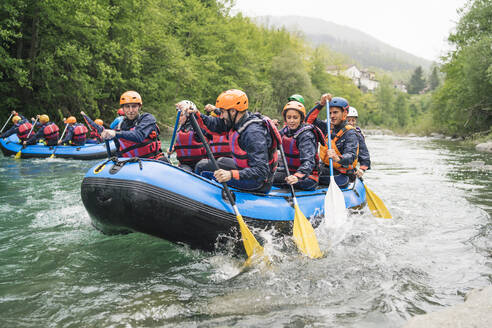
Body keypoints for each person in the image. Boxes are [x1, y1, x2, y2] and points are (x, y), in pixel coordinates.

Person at [180, 89, 280, 194]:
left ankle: (200, 200)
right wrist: (195, 113)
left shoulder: (253, 133)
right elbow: (214, 124)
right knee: (209, 163)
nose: (221, 116)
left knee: (204, 171)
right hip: (245, 171)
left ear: (233, 111)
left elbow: (261, 171)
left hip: (258, 183)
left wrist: (231, 174)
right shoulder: (236, 122)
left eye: (222, 112)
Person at [306, 94, 359, 188]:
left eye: (335, 112)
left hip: (340, 175)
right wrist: (321, 104)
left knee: (308, 174)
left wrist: (338, 158)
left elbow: (351, 155)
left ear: (345, 113)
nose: (332, 116)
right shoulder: (327, 127)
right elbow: (308, 121)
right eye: (330, 113)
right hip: (326, 168)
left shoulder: (350, 133)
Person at [100, 90, 167, 161]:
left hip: (152, 161)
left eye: (134, 106)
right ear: (123, 108)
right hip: (131, 165)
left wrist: (115, 133)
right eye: (127, 107)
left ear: (139, 107)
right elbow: (119, 151)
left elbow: (139, 136)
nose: (131, 110)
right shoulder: (119, 127)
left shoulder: (147, 119)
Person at [273, 101, 325, 191]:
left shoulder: (307, 136)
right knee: (266, 175)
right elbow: (271, 144)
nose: (291, 121)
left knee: (273, 179)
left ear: (301, 118)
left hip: (308, 177)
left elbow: (309, 162)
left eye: (295, 117)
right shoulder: (285, 131)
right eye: (289, 117)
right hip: (290, 172)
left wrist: (297, 176)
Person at [169, 100, 209, 171]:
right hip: (185, 164)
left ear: (188, 115)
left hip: (199, 164)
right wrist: (173, 149)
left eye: (181, 115)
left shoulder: (198, 128)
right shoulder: (180, 129)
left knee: (197, 168)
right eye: (178, 116)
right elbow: (182, 144)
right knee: (184, 169)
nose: (178, 119)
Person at [347, 106, 371, 178]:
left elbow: (364, 155)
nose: (351, 123)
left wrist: (362, 169)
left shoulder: (358, 135)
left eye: (353, 120)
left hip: (348, 170)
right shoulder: (334, 132)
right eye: (348, 120)